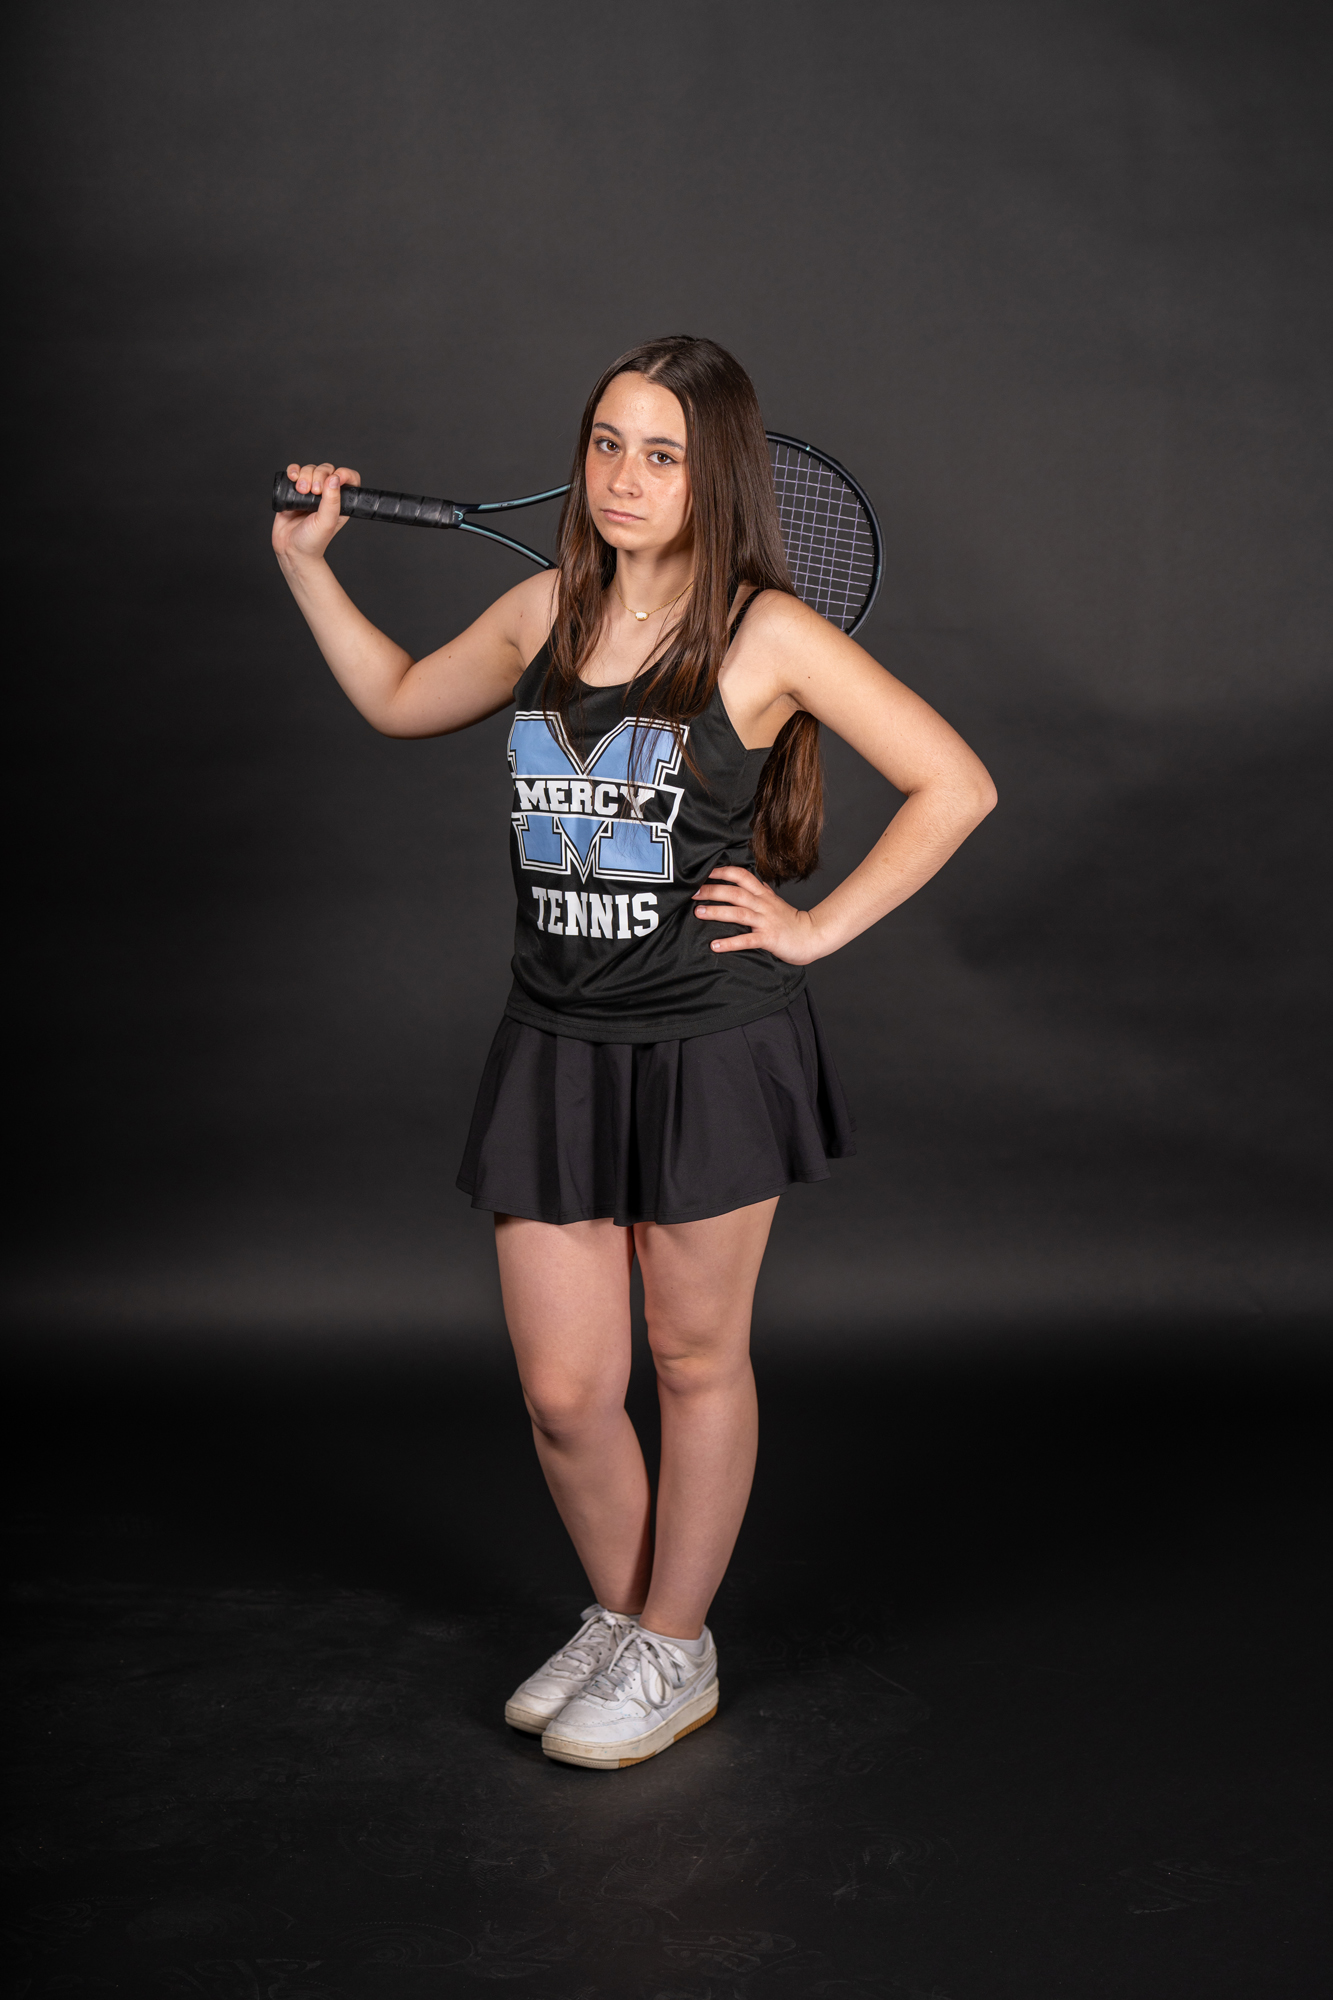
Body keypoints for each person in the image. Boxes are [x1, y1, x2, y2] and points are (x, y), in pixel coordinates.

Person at [273, 334, 996, 1772]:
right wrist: (308, 567)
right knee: (564, 1391)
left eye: (661, 454)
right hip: (554, 1042)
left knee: (690, 1356)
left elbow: (955, 783)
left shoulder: (765, 636)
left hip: (709, 1044)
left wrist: (813, 929)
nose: (623, 476)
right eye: (607, 442)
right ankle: (623, 1620)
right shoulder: (544, 607)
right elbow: (399, 697)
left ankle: (675, 1638)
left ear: (712, 474)